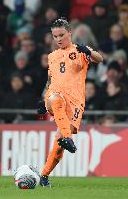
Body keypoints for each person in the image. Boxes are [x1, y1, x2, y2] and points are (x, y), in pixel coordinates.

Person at [38, 18, 103, 187]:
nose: (58, 39)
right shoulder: (52, 56)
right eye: (55, 36)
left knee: (59, 144)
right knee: (56, 99)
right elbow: (49, 80)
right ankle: (68, 138)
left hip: (75, 102)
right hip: (55, 96)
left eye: (61, 35)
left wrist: (87, 51)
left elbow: (99, 58)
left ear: (69, 33)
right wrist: (42, 98)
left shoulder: (80, 51)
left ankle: (44, 175)